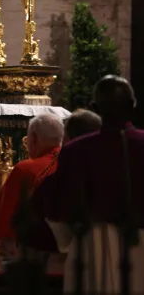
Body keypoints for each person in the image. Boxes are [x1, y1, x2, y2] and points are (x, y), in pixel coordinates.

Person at [40, 76, 144, 293]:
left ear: (95, 108)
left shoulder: (76, 150)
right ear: (133, 106)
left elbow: (53, 205)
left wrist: (66, 241)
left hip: (92, 249)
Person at [0, 113, 64, 269]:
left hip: (34, 255)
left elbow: (6, 217)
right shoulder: (72, 163)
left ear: (34, 138)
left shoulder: (25, 169)